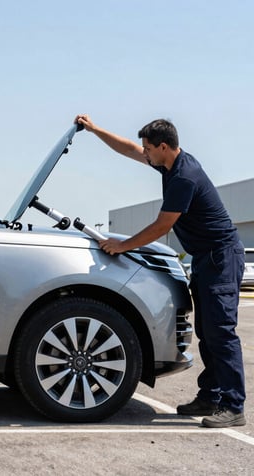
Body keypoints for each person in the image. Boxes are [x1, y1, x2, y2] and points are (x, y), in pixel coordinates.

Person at [75, 114, 246, 428]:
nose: (145, 154)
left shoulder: (184, 176)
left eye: (149, 149)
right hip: (206, 258)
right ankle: (211, 396)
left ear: (164, 147)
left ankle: (234, 406)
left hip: (221, 258)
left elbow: (162, 225)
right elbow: (127, 149)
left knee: (220, 332)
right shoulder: (168, 163)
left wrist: (123, 245)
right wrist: (95, 129)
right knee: (207, 333)